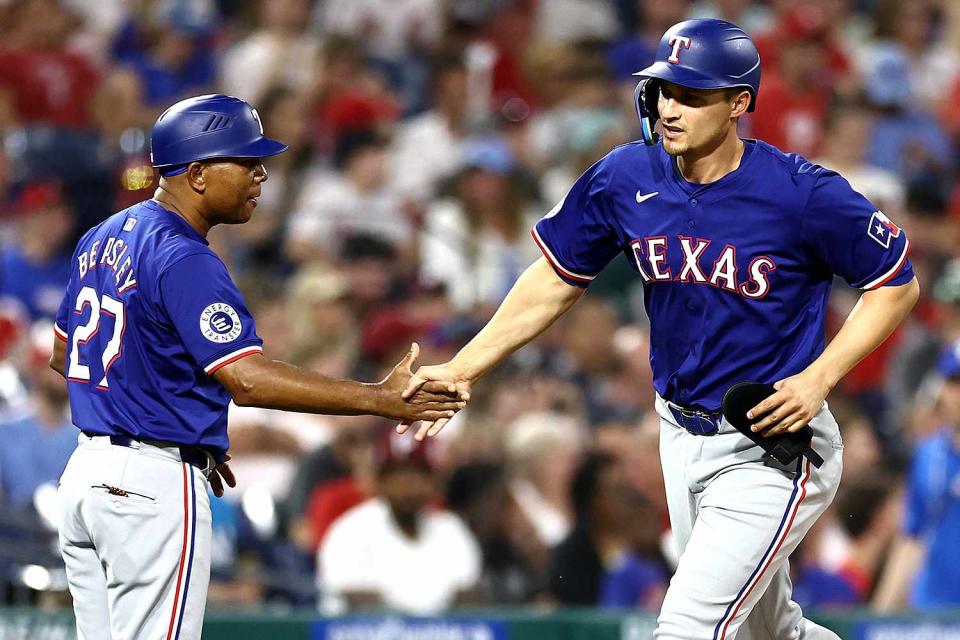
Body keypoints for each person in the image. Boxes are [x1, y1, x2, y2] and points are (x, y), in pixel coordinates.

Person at [400, 19, 919, 640]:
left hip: (772, 443)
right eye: (665, 91)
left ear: (739, 104)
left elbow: (896, 282)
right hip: (678, 431)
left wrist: (819, 378)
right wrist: (464, 366)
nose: (671, 108)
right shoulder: (627, 177)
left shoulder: (801, 193)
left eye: (693, 96)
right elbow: (555, 280)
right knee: (771, 633)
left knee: (685, 628)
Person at [49, 94, 464, 640]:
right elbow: (246, 378)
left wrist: (180, 424)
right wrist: (379, 399)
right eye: (244, 163)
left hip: (86, 478)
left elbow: (64, 355)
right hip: (149, 486)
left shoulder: (102, 236)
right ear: (197, 173)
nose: (261, 174)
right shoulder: (185, 255)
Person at [873, 341, 960, 611]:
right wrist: (881, 614)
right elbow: (911, 536)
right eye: (954, 382)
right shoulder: (928, 453)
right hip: (932, 609)